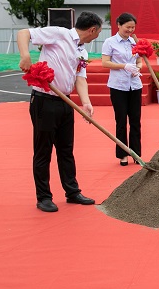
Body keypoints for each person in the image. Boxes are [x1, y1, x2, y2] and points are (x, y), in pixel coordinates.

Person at [17, 11, 103, 213]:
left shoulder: (82, 51)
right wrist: (25, 55)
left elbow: (80, 78)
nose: (97, 36)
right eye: (98, 32)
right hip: (44, 100)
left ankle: (72, 192)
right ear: (92, 30)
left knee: (66, 150)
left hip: (65, 102)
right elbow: (23, 33)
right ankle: (44, 197)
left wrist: (86, 103)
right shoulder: (59, 34)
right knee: (43, 150)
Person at [101, 13, 143, 166]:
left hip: (135, 85)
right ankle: (123, 154)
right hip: (118, 86)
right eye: (127, 27)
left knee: (135, 121)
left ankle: (136, 154)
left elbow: (139, 60)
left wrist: (137, 68)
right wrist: (123, 66)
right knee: (121, 121)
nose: (130, 30)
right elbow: (105, 62)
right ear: (119, 25)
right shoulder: (110, 42)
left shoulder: (134, 42)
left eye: (133, 27)